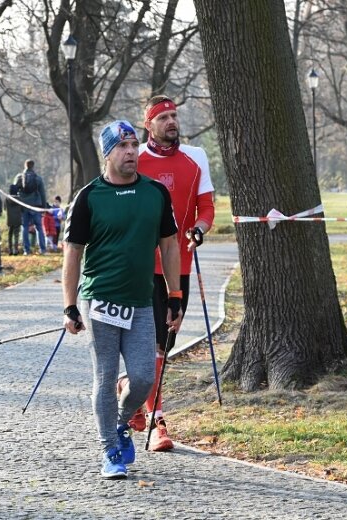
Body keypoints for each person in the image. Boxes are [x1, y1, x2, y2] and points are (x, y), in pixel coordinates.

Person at [62, 120, 184, 479]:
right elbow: (72, 253)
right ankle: (110, 450)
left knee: (144, 377)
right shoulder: (89, 197)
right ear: (108, 154)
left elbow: (169, 244)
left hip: (141, 300)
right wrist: (70, 305)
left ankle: (118, 421)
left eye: (134, 145)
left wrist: (174, 294)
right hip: (99, 299)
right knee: (105, 375)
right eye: (123, 146)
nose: (131, 152)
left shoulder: (155, 193)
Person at [119, 95, 215, 452]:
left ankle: (131, 389)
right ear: (150, 125)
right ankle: (158, 419)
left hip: (181, 264)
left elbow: (206, 207)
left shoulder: (196, 159)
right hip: (142, 266)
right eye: (164, 117)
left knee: (168, 340)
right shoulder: (134, 159)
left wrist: (200, 229)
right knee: (154, 341)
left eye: (175, 116)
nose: (172, 122)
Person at [12, 160, 48, 255]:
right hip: (35, 205)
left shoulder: (19, 177)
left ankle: (26, 250)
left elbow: (13, 191)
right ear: (33, 166)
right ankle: (42, 249)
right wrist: (43, 207)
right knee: (39, 228)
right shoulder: (38, 179)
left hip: (24, 206)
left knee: (25, 227)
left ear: (25, 166)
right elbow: (42, 194)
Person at [5, 184, 22, 255]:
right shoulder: (19, 199)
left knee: (10, 235)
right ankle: (16, 249)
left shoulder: (7, 199)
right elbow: (22, 208)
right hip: (17, 219)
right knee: (16, 235)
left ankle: (10, 250)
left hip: (9, 219)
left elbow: (5, 208)